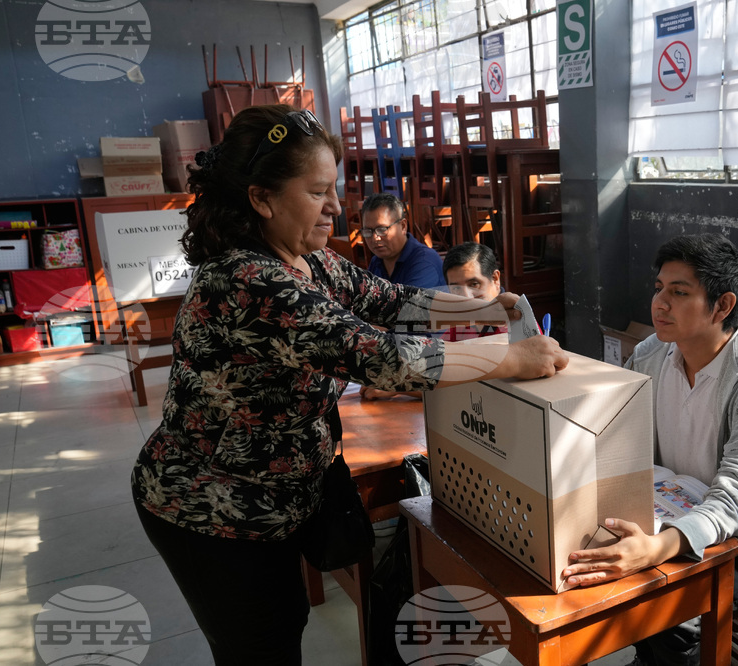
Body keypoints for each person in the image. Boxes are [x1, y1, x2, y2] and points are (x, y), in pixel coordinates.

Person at [129, 104, 568, 665]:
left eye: (334, 188)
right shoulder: (246, 281)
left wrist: (481, 308)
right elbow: (382, 357)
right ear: (261, 198)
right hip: (213, 511)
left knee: (284, 621)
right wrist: (505, 360)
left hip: (273, 496)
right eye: (318, 192)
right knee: (261, 645)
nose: (337, 207)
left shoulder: (309, 261)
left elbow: (391, 300)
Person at [563, 234, 738, 666]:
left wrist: (657, 548)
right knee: (584, 563)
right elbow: (613, 422)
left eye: (679, 292)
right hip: (663, 509)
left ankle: (669, 652)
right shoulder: (653, 353)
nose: (660, 303)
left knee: (644, 600)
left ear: (722, 306)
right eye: (659, 288)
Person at [360, 241, 507, 400]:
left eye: (474, 284)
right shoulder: (461, 326)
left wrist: (399, 387)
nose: (466, 297)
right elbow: (437, 369)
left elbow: (474, 387)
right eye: (456, 288)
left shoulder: (511, 327)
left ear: (495, 279)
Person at [361, 192, 445, 288]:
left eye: (382, 229)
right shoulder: (377, 261)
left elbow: (409, 302)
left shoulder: (424, 262)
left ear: (403, 226)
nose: (375, 238)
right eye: (368, 231)